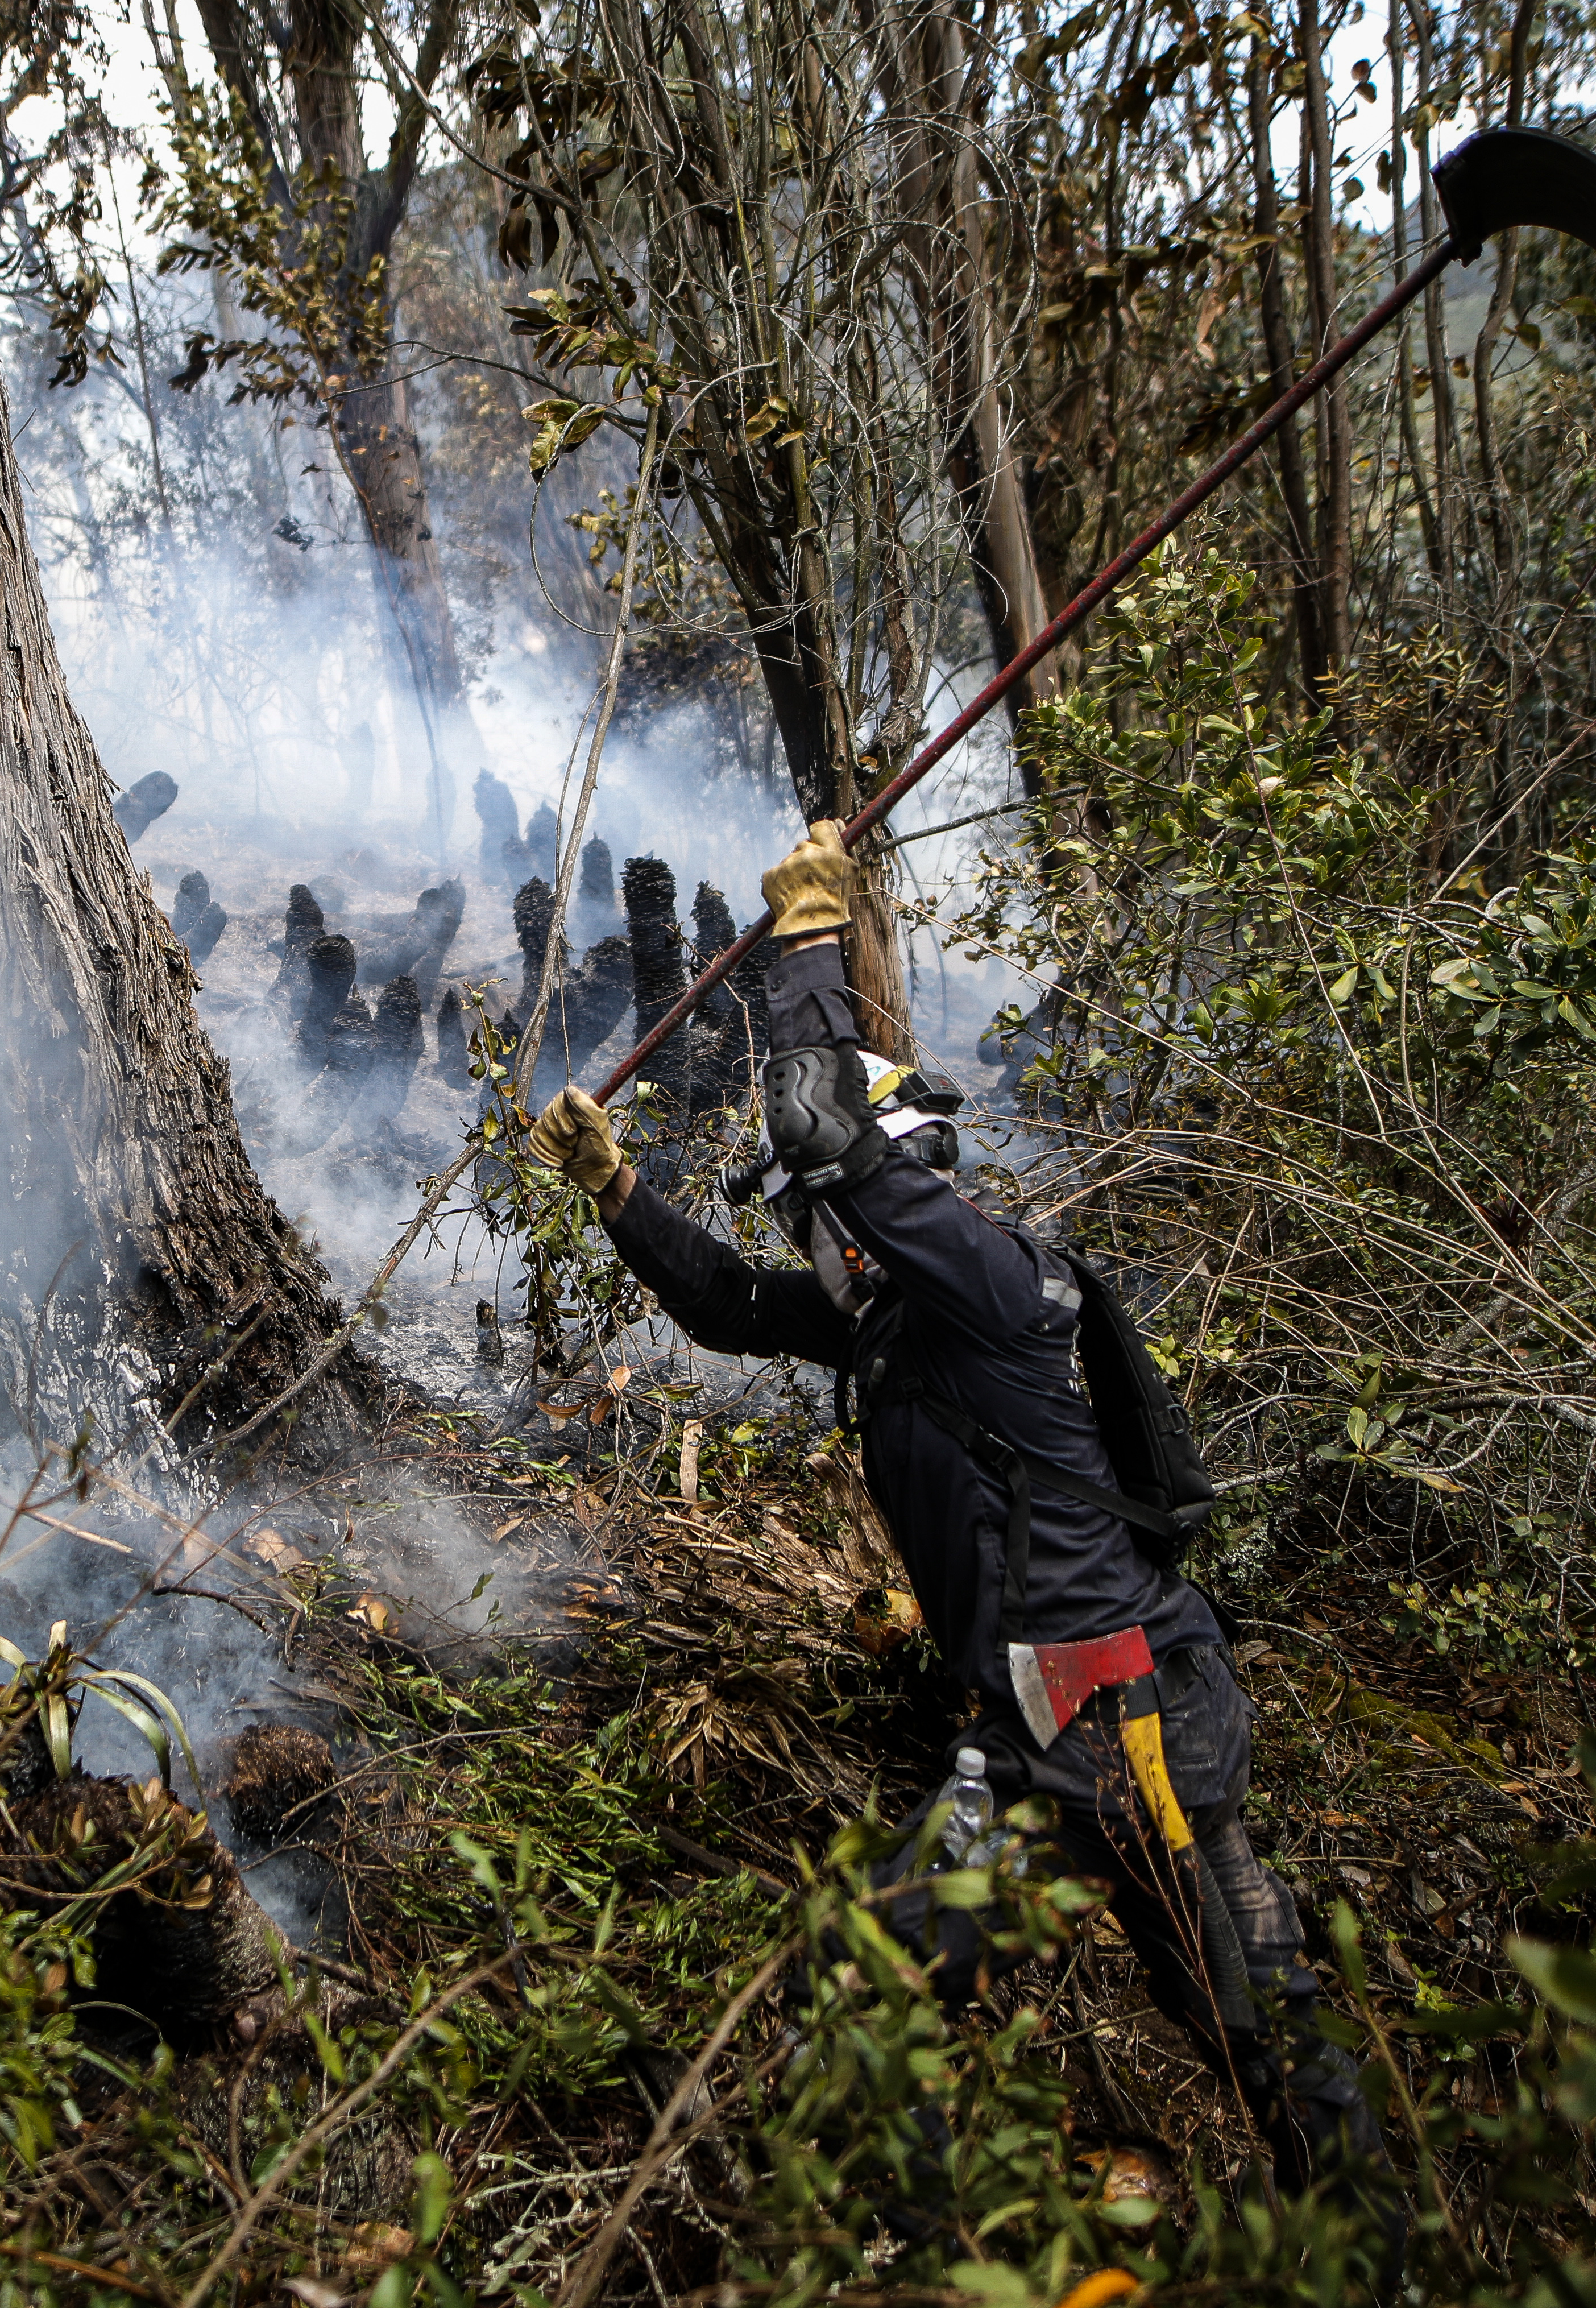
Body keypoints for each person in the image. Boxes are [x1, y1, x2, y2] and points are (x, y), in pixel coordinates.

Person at [523, 821, 1397, 2225]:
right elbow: (730, 1305)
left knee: (1260, 2027)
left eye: (832, 1213)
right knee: (891, 1997)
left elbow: (822, 1132)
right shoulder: (887, 1325)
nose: (815, 1240)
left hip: (1131, 1726)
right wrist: (617, 1190)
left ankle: (1369, 2251)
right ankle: (934, 2246)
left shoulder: (992, 1286)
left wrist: (810, 944)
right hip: (1041, 1736)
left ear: (888, 1193)